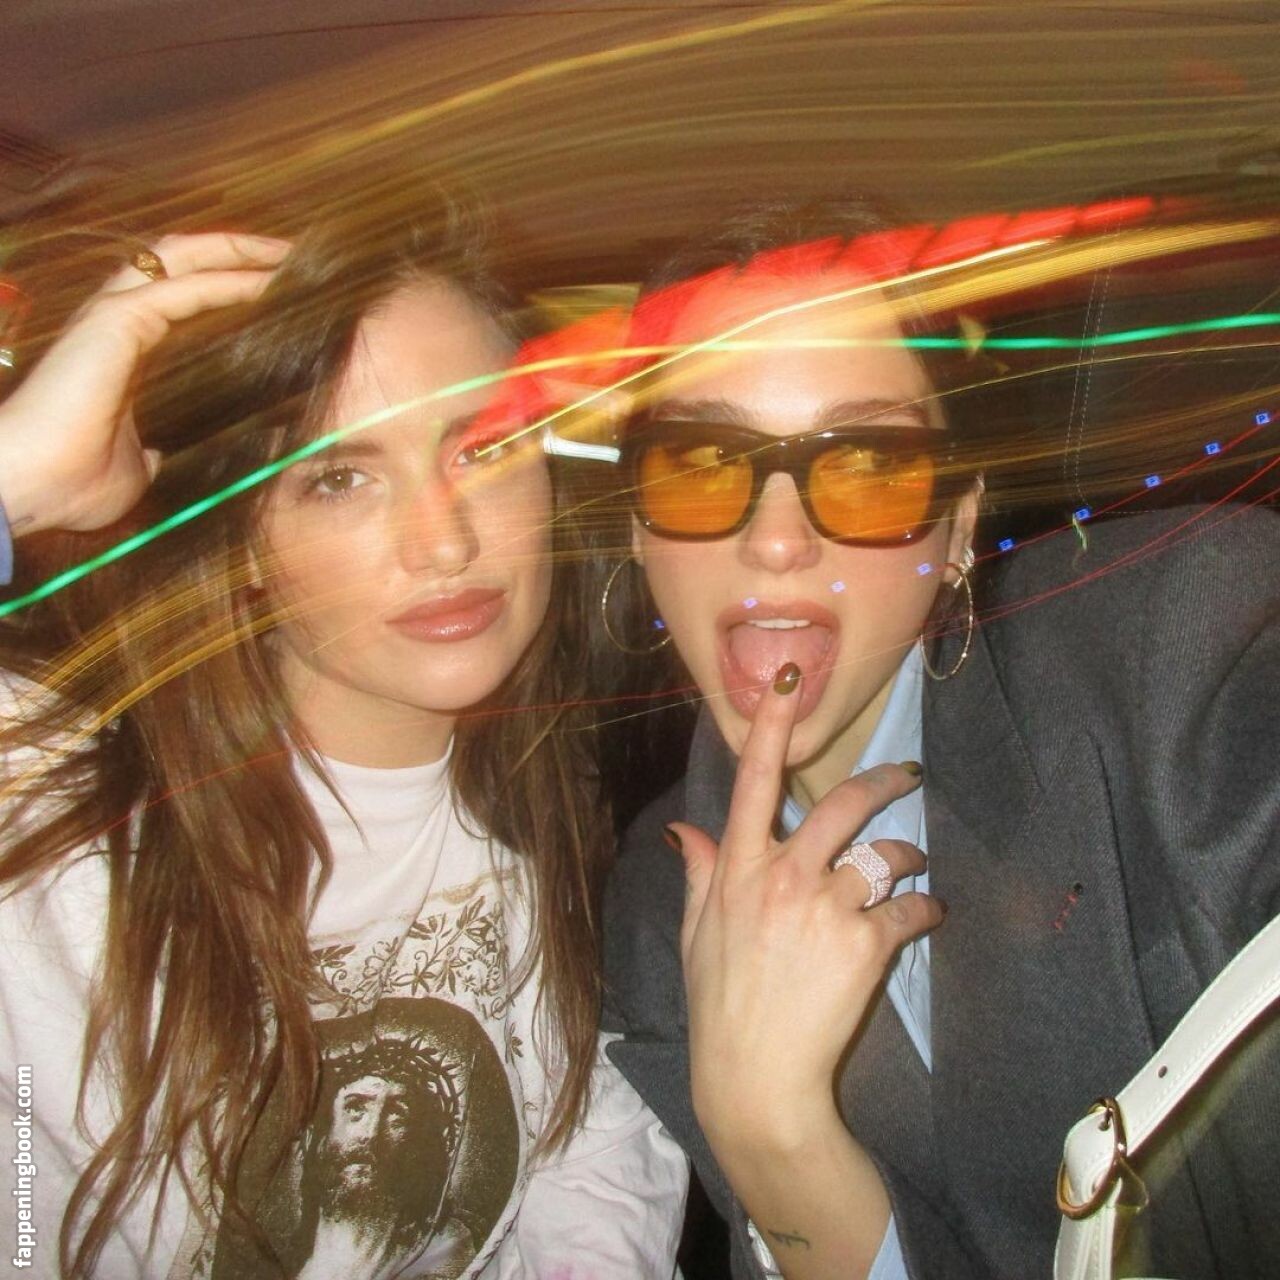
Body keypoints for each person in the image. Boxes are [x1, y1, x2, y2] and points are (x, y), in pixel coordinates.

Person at [0, 189, 686, 1279]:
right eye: (339, 478)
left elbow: (586, 1142)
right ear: (241, 536)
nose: (442, 542)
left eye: (483, 446)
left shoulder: (552, 803)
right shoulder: (52, 801)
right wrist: (19, 481)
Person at [599, 197, 1280, 1280]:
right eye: (700, 458)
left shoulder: (1182, 651)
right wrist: (771, 1136)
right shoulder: (654, 903)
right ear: (636, 528)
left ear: (959, 522)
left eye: (869, 462)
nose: (775, 540)